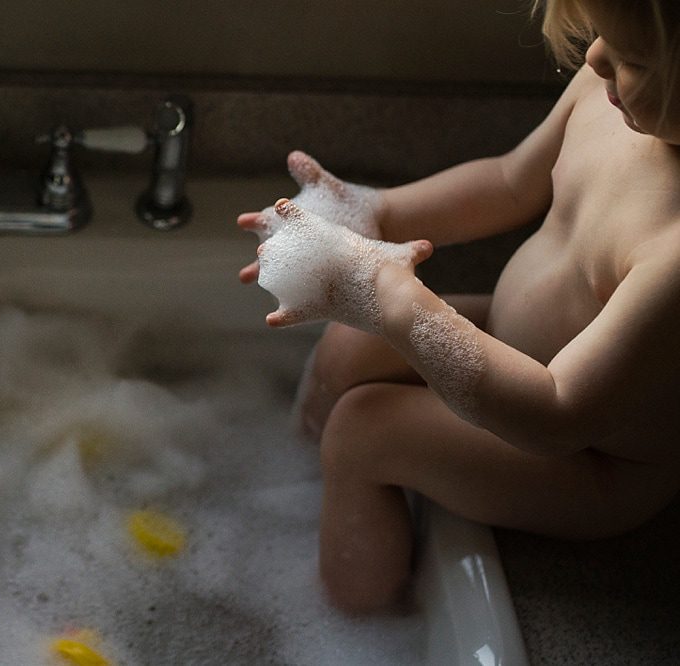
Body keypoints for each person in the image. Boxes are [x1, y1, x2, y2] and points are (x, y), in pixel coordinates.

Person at [237, 0, 680, 614]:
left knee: (365, 430)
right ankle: (296, 482)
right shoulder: (613, 99)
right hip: (510, 343)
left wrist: (395, 299)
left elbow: (557, 412)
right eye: (603, 36)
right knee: (348, 345)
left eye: (632, 56)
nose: (597, 57)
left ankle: (353, 612)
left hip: (591, 462)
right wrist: (375, 212)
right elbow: (506, 181)